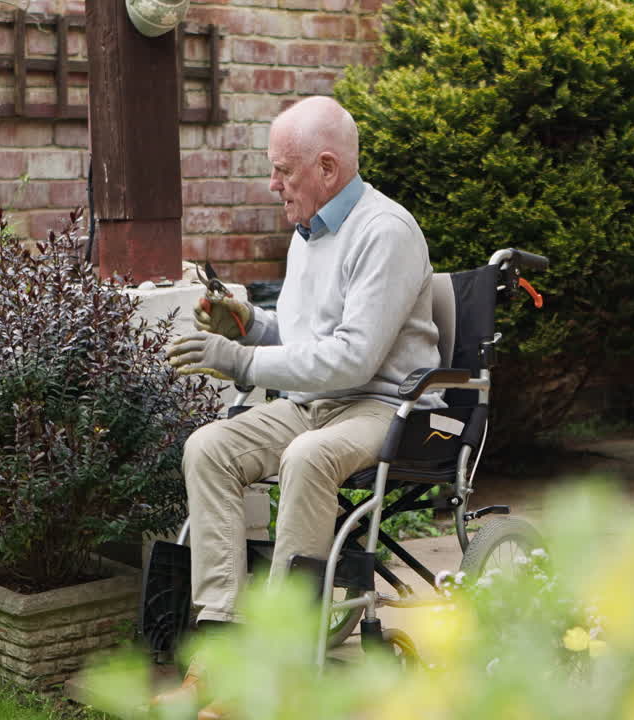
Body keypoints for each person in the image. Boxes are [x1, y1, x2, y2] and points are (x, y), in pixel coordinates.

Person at [158, 95, 440, 716]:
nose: (272, 183)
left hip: (384, 406)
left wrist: (238, 361)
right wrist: (251, 325)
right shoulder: (308, 231)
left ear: (328, 168)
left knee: (308, 457)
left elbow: (352, 360)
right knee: (208, 448)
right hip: (315, 403)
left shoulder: (385, 232)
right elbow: (303, 335)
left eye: (283, 170)